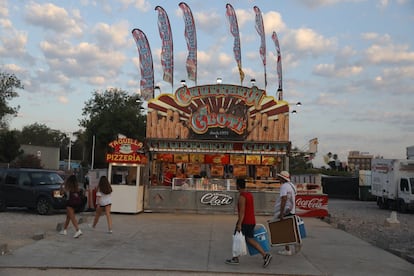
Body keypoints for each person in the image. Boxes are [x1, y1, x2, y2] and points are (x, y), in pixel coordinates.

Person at [225, 178, 272, 268]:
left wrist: (239, 224)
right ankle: (265, 255)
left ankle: (235, 258)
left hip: (245, 222)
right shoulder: (249, 195)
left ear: (238, 186)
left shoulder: (242, 197)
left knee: (236, 237)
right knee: (249, 240)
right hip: (251, 221)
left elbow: (242, 212)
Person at [272, 170, 297, 255]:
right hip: (291, 210)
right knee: (287, 230)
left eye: (279, 177)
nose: (278, 179)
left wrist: (281, 213)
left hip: (286, 211)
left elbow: (284, 199)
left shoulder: (284, 187)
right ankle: (290, 247)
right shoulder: (292, 186)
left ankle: (288, 249)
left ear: (282, 178)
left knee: (284, 230)